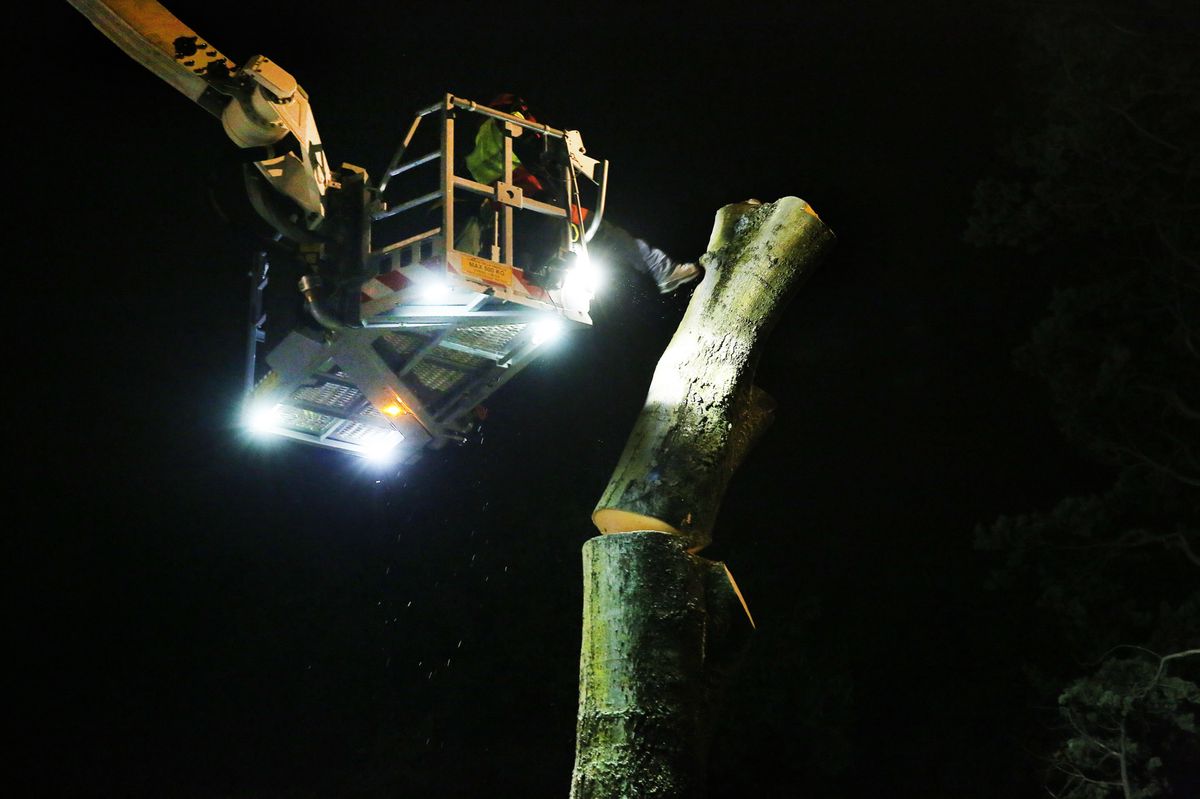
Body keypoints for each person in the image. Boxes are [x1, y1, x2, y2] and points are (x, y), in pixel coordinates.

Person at [462, 94, 701, 294]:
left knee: (537, 244)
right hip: (532, 200)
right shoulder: (509, 119)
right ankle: (663, 271)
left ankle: (537, 273)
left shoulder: (479, 137)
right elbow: (530, 142)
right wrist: (560, 150)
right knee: (606, 232)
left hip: (504, 210)